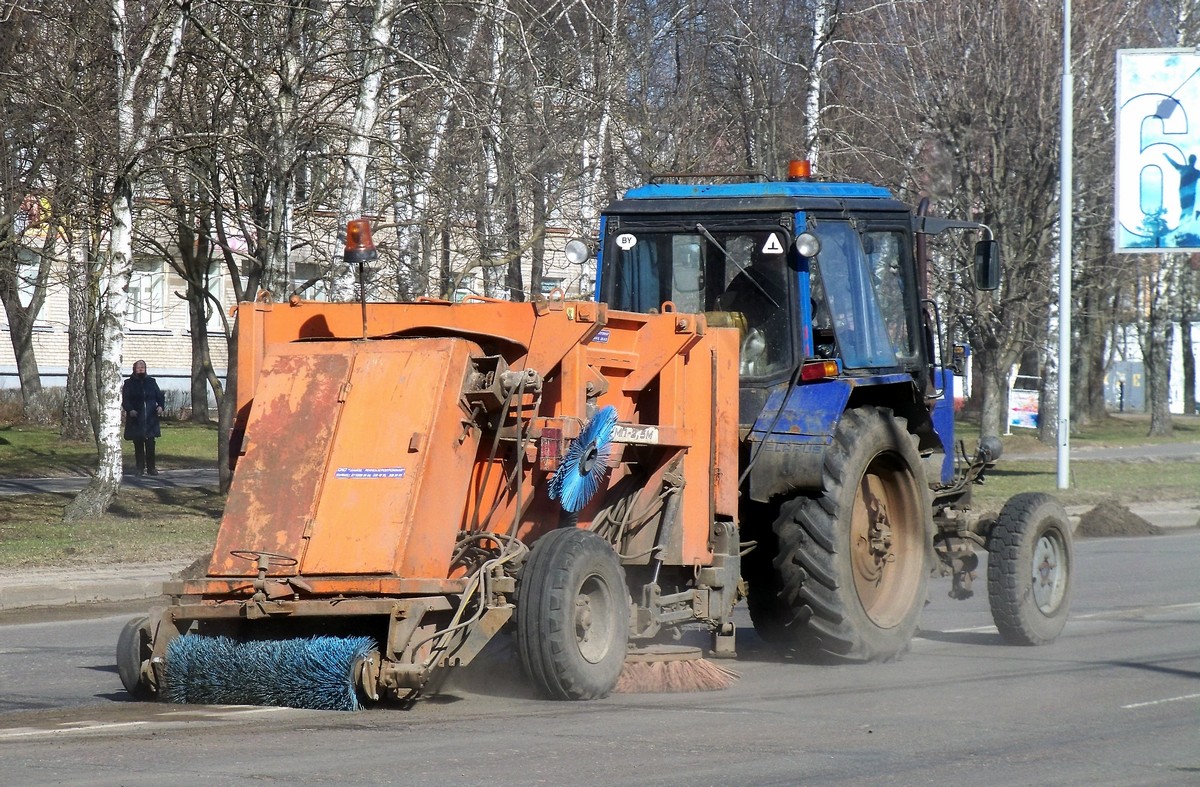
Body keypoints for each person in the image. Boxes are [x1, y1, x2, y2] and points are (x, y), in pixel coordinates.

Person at [122, 360, 164, 476]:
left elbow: (160, 397)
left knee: (150, 444)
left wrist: (160, 406)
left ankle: (151, 468)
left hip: (150, 418)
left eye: (143, 367)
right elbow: (125, 401)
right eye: (138, 367)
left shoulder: (151, 382)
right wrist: (130, 410)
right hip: (136, 418)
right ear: (134, 369)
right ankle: (140, 468)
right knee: (138, 444)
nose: (141, 369)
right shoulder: (128, 383)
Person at [1164, 152, 1200, 222]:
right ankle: (1187, 220)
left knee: (1184, 207)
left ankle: (1184, 220)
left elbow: (1173, 163)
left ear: (1189, 160)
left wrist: (1167, 156)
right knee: (1189, 208)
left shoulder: (1183, 169)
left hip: (1183, 192)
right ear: (1195, 161)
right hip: (1191, 192)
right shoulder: (1197, 172)